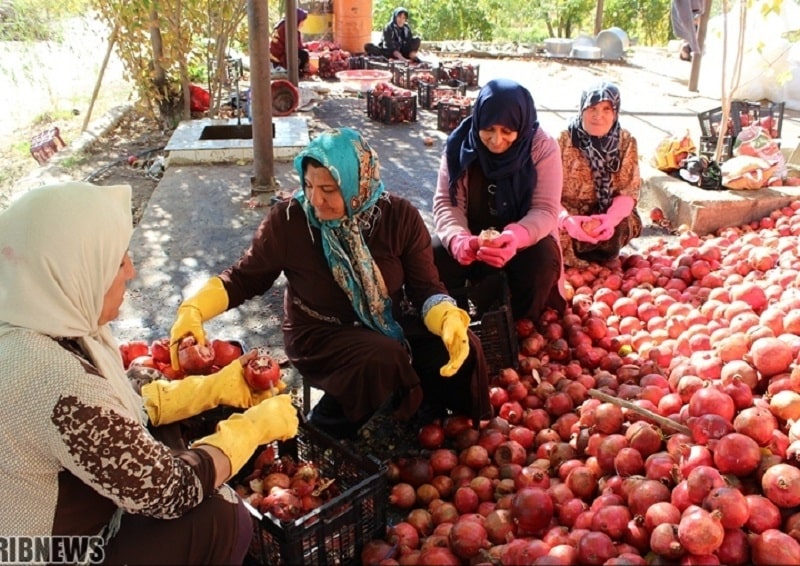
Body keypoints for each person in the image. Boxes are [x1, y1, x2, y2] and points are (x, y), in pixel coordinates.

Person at [0, 182, 298, 564]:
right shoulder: (53, 380)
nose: (131, 271)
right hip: (41, 552)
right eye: (116, 262)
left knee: (167, 434)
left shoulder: (35, 318)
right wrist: (249, 429)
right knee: (219, 514)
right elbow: (170, 491)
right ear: (73, 271)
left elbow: (116, 412)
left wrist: (208, 390)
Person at [168, 127, 491, 440]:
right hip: (320, 333)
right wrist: (194, 309)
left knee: (463, 345)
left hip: (387, 319)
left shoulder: (399, 217)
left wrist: (447, 317)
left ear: (357, 184)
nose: (315, 200)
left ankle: (448, 424)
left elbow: (426, 288)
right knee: (382, 356)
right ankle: (327, 432)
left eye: (328, 190)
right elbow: (242, 279)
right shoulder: (290, 221)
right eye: (309, 186)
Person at [432, 78, 566, 324]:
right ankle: (455, 320)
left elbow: (546, 209)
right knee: (436, 251)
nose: (496, 140)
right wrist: (460, 240)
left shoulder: (542, 147)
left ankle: (520, 326)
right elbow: (446, 204)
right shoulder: (459, 145)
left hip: (524, 243)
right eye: (489, 129)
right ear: (478, 120)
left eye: (507, 131)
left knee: (543, 260)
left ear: (521, 125)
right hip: (474, 244)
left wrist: (515, 238)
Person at [557, 81, 642, 269]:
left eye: (606, 109)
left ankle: (602, 257)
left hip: (607, 212)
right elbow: (545, 192)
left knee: (620, 227)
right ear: (582, 109)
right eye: (592, 108)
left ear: (615, 112)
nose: (598, 116)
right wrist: (567, 220)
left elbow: (628, 193)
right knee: (548, 232)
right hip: (566, 213)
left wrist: (609, 221)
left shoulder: (625, 141)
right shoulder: (562, 139)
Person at [270, 7, 310, 73]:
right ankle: (294, 71)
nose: (302, 25)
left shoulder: (286, 24)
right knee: (304, 54)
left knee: (303, 53)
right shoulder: (288, 27)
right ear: (297, 20)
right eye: (302, 22)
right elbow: (294, 47)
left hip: (278, 55)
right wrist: (307, 47)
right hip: (279, 57)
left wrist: (309, 45)